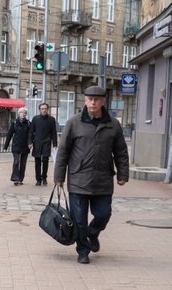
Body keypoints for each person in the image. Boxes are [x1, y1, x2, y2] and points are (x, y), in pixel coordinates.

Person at [54, 85, 130, 265]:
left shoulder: (113, 124)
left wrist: (123, 173)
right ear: (85, 100)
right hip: (78, 178)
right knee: (79, 220)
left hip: (103, 179)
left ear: (103, 101)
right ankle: (83, 251)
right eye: (89, 99)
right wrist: (59, 176)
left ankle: (93, 233)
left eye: (96, 99)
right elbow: (63, 150)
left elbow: (121, 151)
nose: (93, 102)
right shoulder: (74, 123)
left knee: (103, 214)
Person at [29, 103, 59, 186]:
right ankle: (38, 179)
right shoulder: (35, 119)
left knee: (45, 160)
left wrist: (55, 144)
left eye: (45, 108)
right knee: (37, 161)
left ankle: (44, 177)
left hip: (47, 142)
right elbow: (31, 131)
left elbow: (54, 132)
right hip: (37, 142)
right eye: (42, 109)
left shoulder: (51, 119)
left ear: (47, 109)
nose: (44, 110)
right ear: (39, 110)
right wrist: (30, 142)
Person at [3, 108, 31, 185]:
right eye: (22, 113)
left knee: (23, 163)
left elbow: (31, 134)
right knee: (16, 161)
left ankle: (20, 179)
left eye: (25, 113)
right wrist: (6, 145)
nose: (23, 114)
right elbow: (9, 134)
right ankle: (15, 178)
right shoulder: (15, 123)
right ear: (19, 114)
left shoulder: (28, 123)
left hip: (25, 146)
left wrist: (30, 143)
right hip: (16, 146)